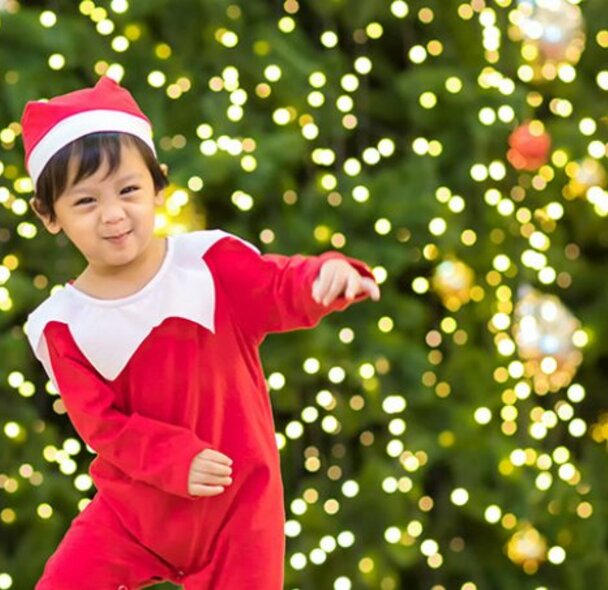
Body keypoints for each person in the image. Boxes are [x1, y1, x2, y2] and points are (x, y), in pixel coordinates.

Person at [22, 76, 380, 590]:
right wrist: (173, 457)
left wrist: (324, 277)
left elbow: (279, 287)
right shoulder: (64, 324)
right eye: (85, 202)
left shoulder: (207, 265)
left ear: (158, 185)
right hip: (132, 513)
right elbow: (103, 426)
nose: (114, 215)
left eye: (128, 190)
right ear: (49, 215)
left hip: (240, 511)